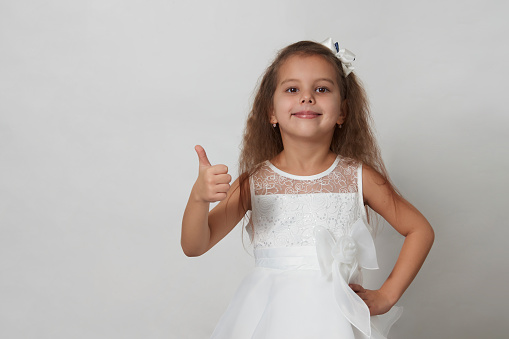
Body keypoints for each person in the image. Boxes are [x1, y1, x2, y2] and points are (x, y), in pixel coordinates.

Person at [181, 38, 434, 339]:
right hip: (268, 319)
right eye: (292, 89)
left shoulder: (359, 177)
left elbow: (420, 229)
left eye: (322, 89)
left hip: (336, 322)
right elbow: (195, 245)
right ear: (270, 112)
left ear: (342, 111)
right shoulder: (255, 182)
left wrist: (387, 295)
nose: (307, 98)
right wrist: (198, 198)